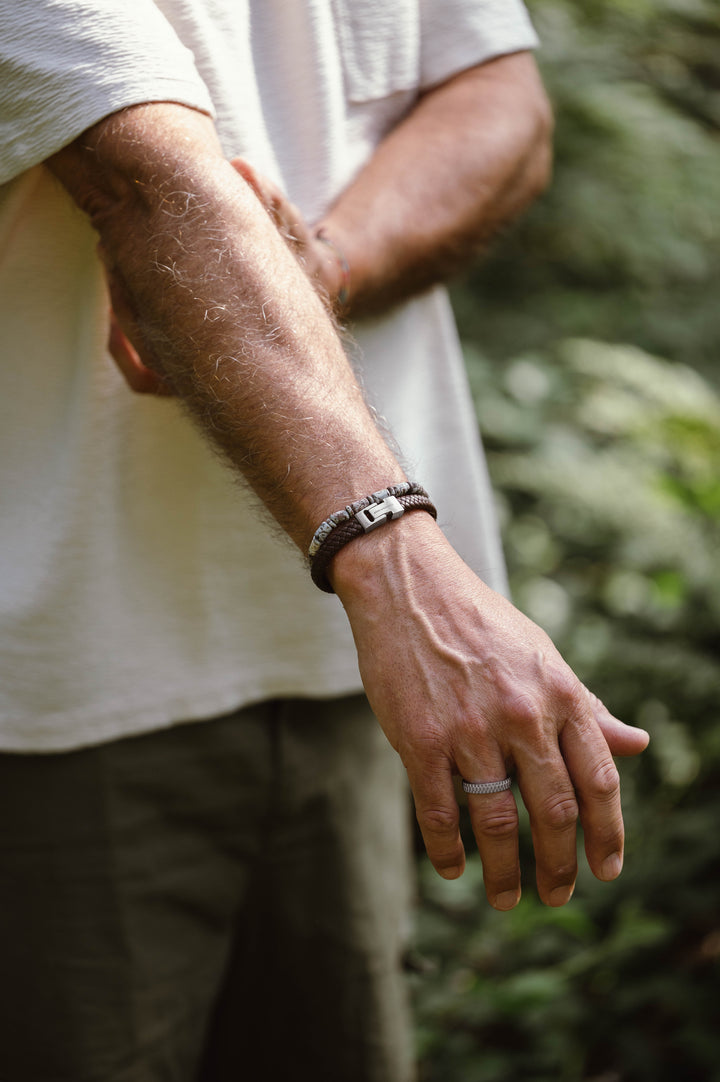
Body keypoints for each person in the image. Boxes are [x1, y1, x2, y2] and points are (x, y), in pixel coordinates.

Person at [0, 1, 649, 1079]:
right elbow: (148, 182)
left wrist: (321, 270)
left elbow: (501, 99)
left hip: (353, 671)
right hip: (59, 681)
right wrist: (402, 565)